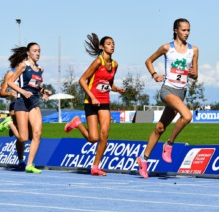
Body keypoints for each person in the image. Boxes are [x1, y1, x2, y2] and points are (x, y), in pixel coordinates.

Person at [136, 18, 199, 178]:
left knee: (160, 128)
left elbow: (196, 75)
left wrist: (193, 74)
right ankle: (169, 145)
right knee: (187, 116)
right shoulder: (166, 48)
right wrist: (154, 75)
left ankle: (143, 159)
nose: (186, 33)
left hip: (181, 92)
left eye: (188, 30)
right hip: (168, 90)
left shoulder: (194, 50)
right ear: (176, 31)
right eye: (183, 30)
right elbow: (148, 61)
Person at [64, 33, 125, 176]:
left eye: (113, 43)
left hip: (104, 102)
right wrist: (92, 97)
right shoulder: (98, 62)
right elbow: (82, 80)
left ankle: (95, 167)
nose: (112, 46)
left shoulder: (115, 64)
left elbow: (108, 83)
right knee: (93, 138)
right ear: (102, 47)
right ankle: (77, 123)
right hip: (91, 102)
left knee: (105, 135)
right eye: (109, 44)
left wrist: (117, 89)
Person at [7, 43, 51, 174]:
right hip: (21, 102)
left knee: (37, 133)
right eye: (35, 51)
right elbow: (10, 82)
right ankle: (9, 124)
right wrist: (23, 92)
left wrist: (43, 91)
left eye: (39, 51)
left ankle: (29, 164)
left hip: (33, 101)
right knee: (24, 137)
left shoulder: (40, 69)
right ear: (28, 53)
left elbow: (36, 86)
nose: (37, 53)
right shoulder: (23, 66)